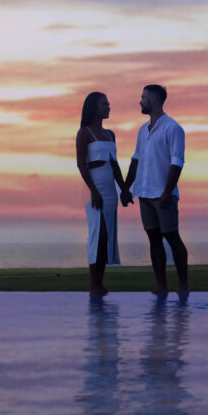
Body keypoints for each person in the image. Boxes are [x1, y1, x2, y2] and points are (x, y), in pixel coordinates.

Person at [123, 83, 188, 298]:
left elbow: (177, 162)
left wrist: (167, 192)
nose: (140, 101)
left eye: (143, 97)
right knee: (154, 239)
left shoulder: (173, 128)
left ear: (153, 99)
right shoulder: (143, 130)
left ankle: (183, 285)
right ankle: (161, 285)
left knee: (172, 237)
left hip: (163, 195)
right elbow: (136, 160)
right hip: (144, 193)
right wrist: (126, 187)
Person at [76, 91, 131, 296]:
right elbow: (81, 164)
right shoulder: (84, 133)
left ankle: (100, 283)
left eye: (108, 104)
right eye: (104, 104)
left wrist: (123, 189)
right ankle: (94, 284)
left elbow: (115, 165)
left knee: (106, 236)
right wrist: (93, 191)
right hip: (93, 188)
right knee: (98, 234)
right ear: (93, 107)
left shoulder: (110, 134)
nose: (108, 107)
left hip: (109, 190)